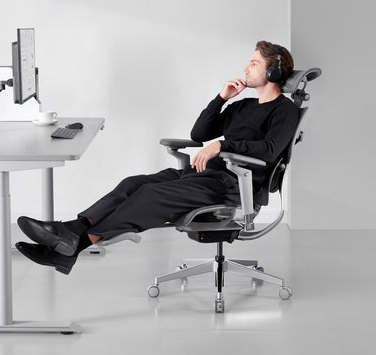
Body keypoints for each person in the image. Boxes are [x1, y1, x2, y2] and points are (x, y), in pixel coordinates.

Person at [15, 40, 298, 275]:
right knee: (132, 184)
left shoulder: (284, 111)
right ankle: (70, 234)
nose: (246, 68)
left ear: (273, 73)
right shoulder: (244, 105)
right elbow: (199, 133)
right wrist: (221, 98)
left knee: (150, 195)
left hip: (232, 185)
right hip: (202, 175)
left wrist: (222, 145)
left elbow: (270, 149)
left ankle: (72, 245)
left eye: (254, 63)